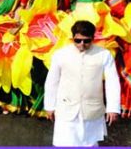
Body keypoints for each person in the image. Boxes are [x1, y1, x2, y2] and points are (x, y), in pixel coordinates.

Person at [43, 19, 120, 147]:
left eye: (86, 41)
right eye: (78, 41)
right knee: (64, 144)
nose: (82, 44)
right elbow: (52, 81)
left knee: (89, 144)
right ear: (73, 38)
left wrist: (113, 108)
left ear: (93, 38)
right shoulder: (61, 54)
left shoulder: (104, 55)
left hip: (92, 110)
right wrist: (49, 106)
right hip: (66, 108)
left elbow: (112, 82)